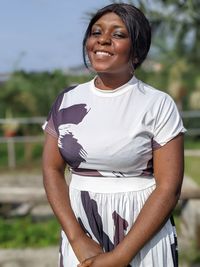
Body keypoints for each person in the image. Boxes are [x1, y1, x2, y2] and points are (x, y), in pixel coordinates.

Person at [42, 3, 186, 267]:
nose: (103, 40)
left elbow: (169, 188)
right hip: (81, 230)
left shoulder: (157, 103)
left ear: (137, 50)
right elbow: (51, 170)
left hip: (142, 234)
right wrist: (77, 239)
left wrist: (121, 256)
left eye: (118, 34)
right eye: (96, 32)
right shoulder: (67, 100)